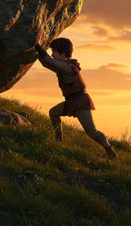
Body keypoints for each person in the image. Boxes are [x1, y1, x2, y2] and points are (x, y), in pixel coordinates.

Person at [34, 30, 117, 159]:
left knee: (92, 132)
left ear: (62, 53)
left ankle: (110, 151)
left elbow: (50, 62)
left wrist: (38, 45)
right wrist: (37, 52)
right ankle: (59, 139)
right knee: (53, 112)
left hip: (80, 102)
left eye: (54, 52)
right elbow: (48, 63)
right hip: (71, 101)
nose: (52, 54)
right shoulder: (64, 65)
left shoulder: (67, 67)